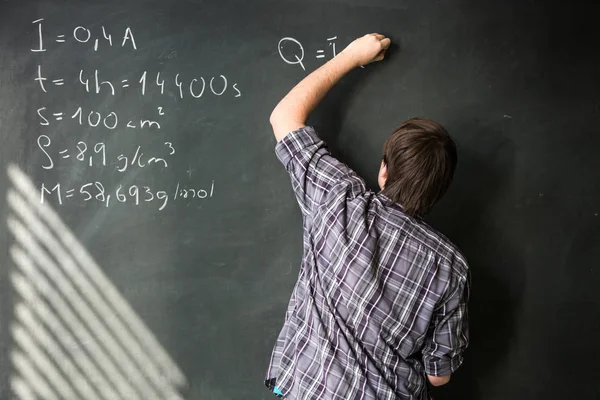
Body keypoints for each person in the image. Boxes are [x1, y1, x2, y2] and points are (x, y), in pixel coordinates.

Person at [265, 33, 470, 400]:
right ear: (438, 193)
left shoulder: (338, 199)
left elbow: (284, 116)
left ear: (383, 171)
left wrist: (351, 56)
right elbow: (439, 377)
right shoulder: (451, 268)